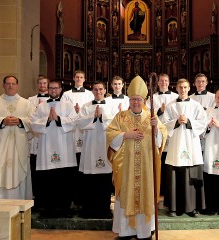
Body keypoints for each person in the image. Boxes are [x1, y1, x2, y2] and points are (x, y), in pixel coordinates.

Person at [107, 76, 167, 240]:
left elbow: (161, 141)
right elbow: (110, 135)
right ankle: (126, 232)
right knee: (125, 195)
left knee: (145, 196)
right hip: (126, 168)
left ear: (144, 100)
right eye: (133, 99)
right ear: (129, 100)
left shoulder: (152, 118)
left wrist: (156, 131)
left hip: (146, 170)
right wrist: (126, 134)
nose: (135, 102)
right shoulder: (120, 117)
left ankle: (144, 232)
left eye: (138, 99)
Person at [0, 75, 35, 199]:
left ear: (17, 85)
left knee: (18, 169)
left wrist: (20, 121)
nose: (10, 86)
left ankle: (19, 201)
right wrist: (2, 121)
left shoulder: (26, 104)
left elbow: (34, 121)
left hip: (18, 147)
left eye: (13, 83)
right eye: (8, 83)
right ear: (3, 85)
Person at [30, 80, 79, 217]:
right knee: (48, 181)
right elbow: (33, 123)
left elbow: (75, 121)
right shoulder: (41, 107)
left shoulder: (67, 105)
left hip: (64, 148)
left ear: (60, 89)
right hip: (46, 148)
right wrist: (47, 120)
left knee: (64, 180)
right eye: (51, 88)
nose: (53, 91)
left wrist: (58, 119)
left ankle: (65, 208)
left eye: (55, 88)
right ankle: (48, 209)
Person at [162, 78, 207, 217]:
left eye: (185, 87)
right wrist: (175, 122)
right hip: (176, 144)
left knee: (191, 173)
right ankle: (174, 207)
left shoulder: (196, 105)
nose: (182, 90)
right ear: (176, 88)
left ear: (189, 88)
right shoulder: (170, 106)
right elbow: (163, 124)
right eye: (180, 87)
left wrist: (189, 121)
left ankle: (192, 207)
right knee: (175, 173)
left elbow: (203, 122)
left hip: (191, 143)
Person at [78, 81, 118, 219]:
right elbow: (79, 122)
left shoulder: (112, 106)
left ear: (105, 90)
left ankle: (104, 209)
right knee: (90, 179)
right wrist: (93, 117)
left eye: (101, 89)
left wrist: (102, 117)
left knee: (104, 179)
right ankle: (88, 209)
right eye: (95, 89)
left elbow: (115, 123)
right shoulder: (86, 106)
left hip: (105, 145)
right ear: (92, 91)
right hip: (90, 146)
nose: (98, 92)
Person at [61, 70, 94, 208]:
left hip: (85, 133)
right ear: (73, 78)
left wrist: (80, 112)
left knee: (83, 165)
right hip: (71, 134)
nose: (79, 79)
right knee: (73, 166)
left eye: (81, 77)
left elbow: (93, 111)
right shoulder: (66, 94)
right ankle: (72, 197)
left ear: (84, 79)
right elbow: (62, 110)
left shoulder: (90, 94)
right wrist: (74, 112)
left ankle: (83, 198)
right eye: (77, 77)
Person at [146, 73, 178, 196]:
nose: (163, 83)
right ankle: (159, 190)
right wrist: (160, 111)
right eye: (161, 81)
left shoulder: (175, 97)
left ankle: (170, 191)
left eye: (166, 81)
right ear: (157, 83)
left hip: (173, 134)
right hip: (158, 134)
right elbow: (148, 114)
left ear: (169, 83)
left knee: (171, 162)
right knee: (160, 161)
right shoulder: (152, 98)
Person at [28, 76, 50, 203]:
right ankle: (35, 193)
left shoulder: (54, 100)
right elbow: (29, 116)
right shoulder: (30, 100)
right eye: (40, 83)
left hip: (48, 136)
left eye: (44, 83)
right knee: (34, 165)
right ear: (37, 85)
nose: (42, 85)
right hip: (35, 137)